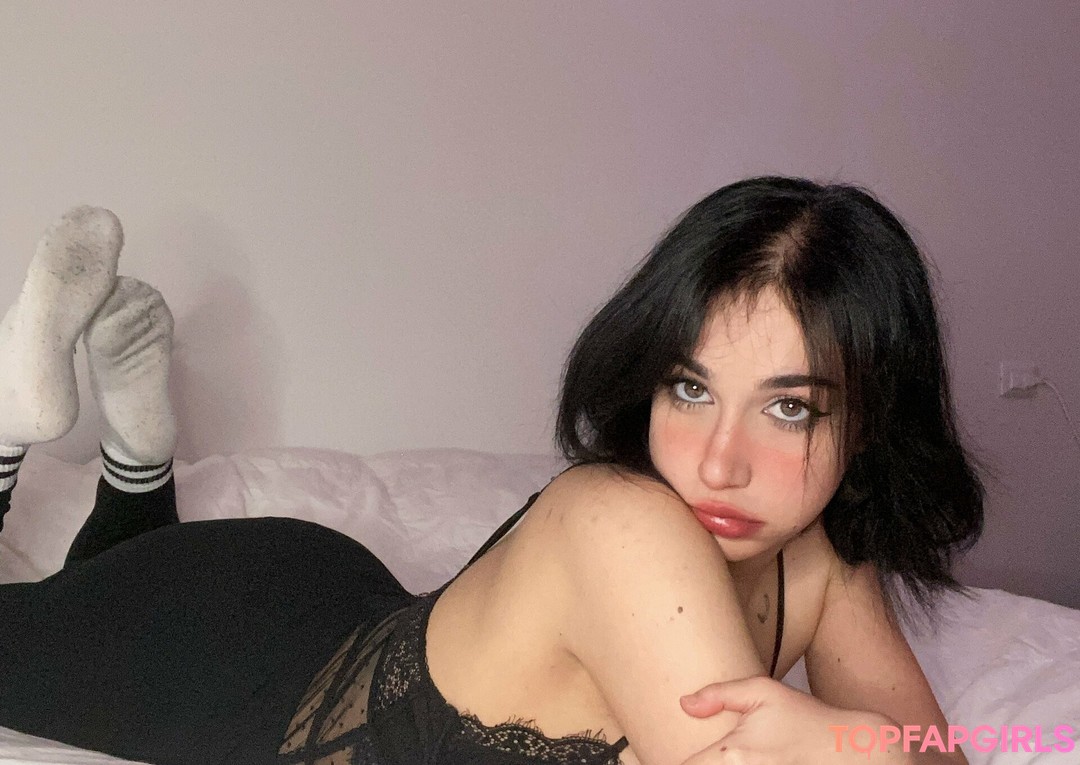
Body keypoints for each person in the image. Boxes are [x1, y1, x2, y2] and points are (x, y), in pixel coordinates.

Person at [0, 178, 982, 765]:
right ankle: (20, 427)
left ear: (869, 422)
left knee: (90, 585)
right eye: (689, 389)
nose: (721, 463)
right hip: (227, 656)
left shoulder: (820, 552)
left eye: (789, 407)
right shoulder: (621, 519)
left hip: (338, 595)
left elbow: (935, 754)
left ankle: (139, 460)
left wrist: (865, 747)